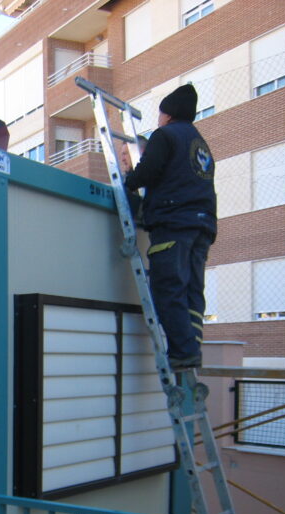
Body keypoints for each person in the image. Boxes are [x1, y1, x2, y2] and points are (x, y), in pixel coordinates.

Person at [119, 83, 216, 370]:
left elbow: (149, 170)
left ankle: (183, 352)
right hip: (202, 226)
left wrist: (127, 183)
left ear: (168, 114)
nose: (158, 119)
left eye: (160, 113)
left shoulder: (166, 135)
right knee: (191, 291)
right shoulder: (200, 144)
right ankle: (192, 347)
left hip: (174, 224)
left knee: (167, 288)